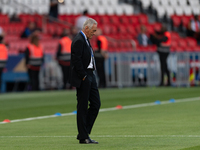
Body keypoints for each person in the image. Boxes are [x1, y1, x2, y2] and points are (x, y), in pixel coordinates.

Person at [70, 18, 100, 144]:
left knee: (96, 104)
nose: (94, 33)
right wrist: (83, 76)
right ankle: (83, 136)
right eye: (93, 30)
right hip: (84, 76)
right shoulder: (79, 40)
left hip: (90, 75)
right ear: (86, 28)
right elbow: (76, 61)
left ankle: (84, 132)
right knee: (82, 106)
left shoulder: (85, 40)